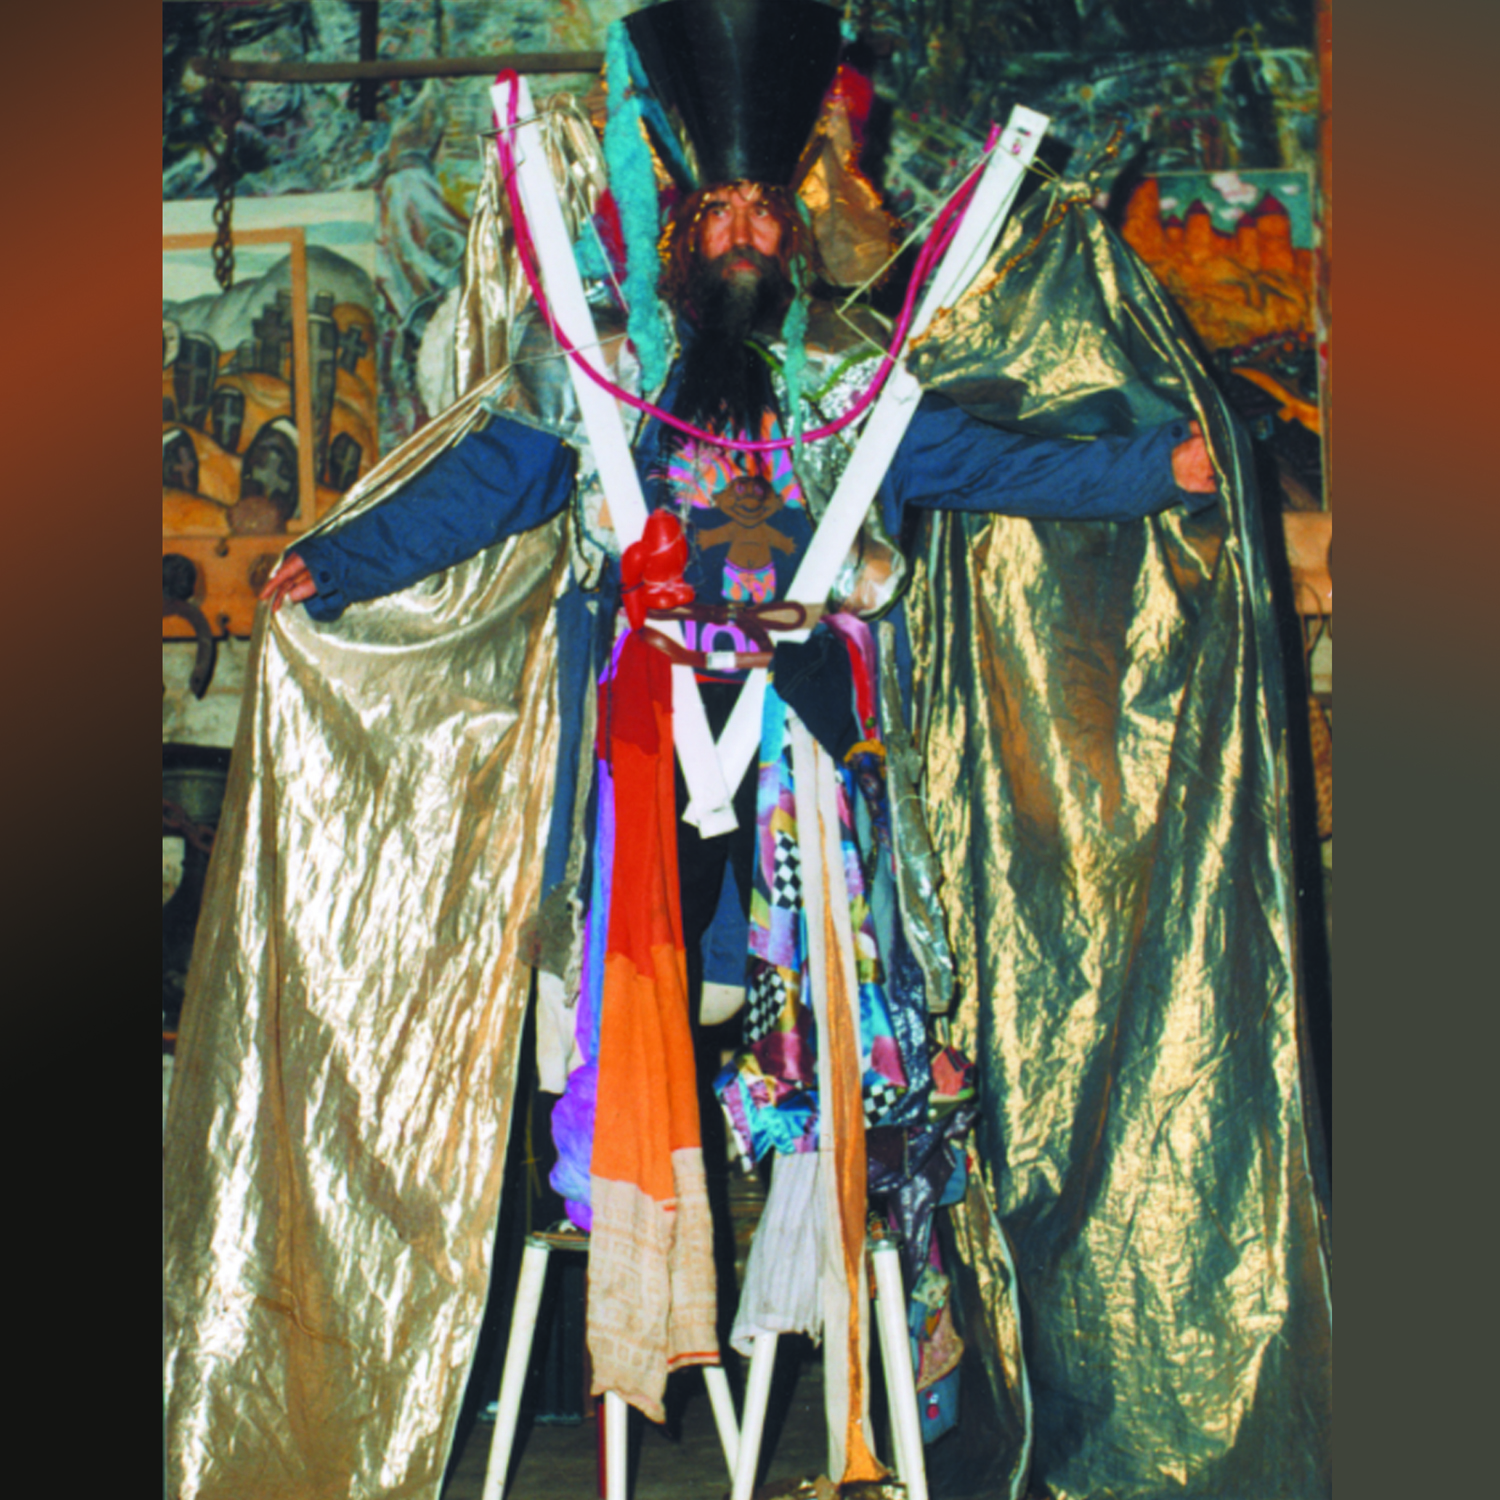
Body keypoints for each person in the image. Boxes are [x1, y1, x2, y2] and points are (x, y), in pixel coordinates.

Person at [166, 4, 1329, 1496]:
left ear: (790, 234)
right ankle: (633, 1319)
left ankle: (891, 1364)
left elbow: (1001, 464)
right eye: (713, 210)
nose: (739, 232)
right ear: (679, 236)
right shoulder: (606, 386)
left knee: (854, 1060)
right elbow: (481, 489)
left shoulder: (849, 394)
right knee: (618, 1053)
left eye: (762, 211)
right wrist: (336, 562)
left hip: (807, 783)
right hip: (639, 790)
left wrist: (1153, 467)